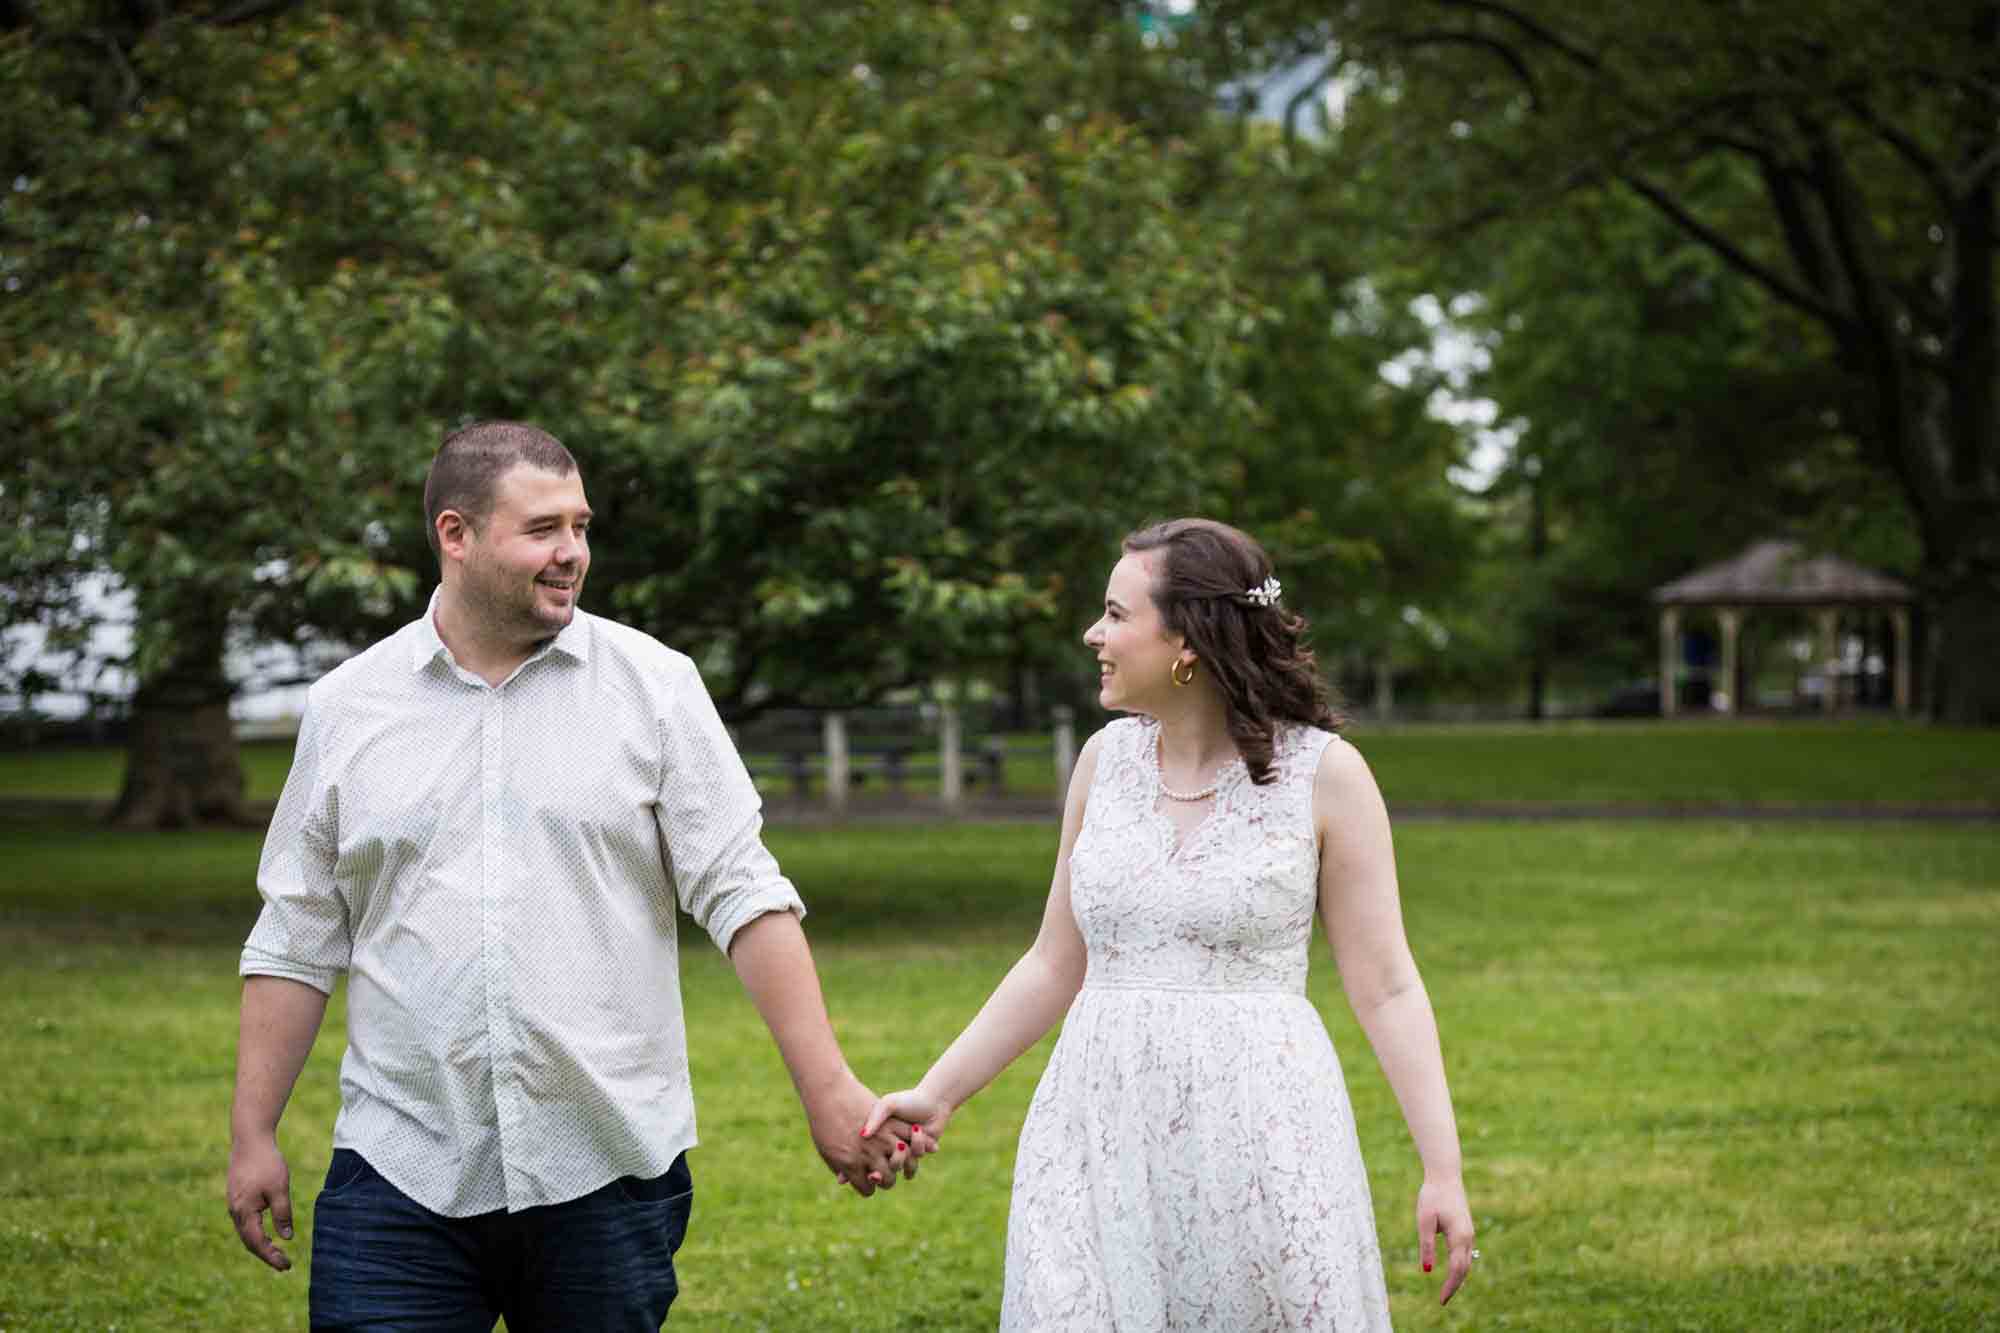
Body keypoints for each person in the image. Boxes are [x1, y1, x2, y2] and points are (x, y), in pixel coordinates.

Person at [225, 421, 927, 1331]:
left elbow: (744, 894)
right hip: (401, 1167)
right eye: (543, 529)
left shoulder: (655, 687)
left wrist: (827, 1085)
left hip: (605, 1171)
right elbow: (296, 936)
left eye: (582, 526)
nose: (573, 554)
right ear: (455, 534)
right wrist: (252, 1134)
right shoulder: (346, 707)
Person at [864, 518, 1476, 1330]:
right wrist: (938, 1092)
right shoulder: (1101, 764)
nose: (1094, 633)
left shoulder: (1325, 777)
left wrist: (1442, 1167)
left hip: (1259, 1131)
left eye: (1116, 615)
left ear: (1188, 638)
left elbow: (1388, 986)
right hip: (1097, 1127)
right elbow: (1054, 961)